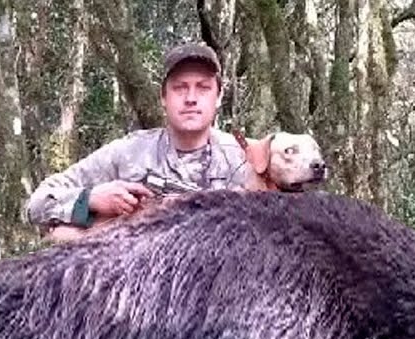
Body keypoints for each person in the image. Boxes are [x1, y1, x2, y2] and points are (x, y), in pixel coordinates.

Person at [25, 42, 254, 238]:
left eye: (203, 88)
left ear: (218, 97)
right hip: (138, 268)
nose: (191, 99)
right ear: (163, 97)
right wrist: (91, 199)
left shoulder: (245, 159)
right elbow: (37, 204)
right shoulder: (129, 153)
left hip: (222, 269)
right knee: (64, 235)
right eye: (180, 88)